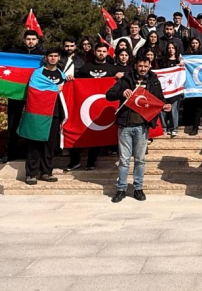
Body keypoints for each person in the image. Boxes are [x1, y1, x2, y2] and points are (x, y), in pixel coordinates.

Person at [105, 55, 168, 203]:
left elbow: (160, 99)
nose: (143, 69)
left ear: (150, 67)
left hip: (142, 126)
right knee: (124, 160)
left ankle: (138, 188)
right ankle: (121, 189)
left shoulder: (154, 80)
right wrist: (122, 93)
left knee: (140, 160)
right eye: (140, 66)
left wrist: (165, 106)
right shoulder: (126, 79)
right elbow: (109, 95)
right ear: (135, 66)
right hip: (125, 125)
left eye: (146, 66)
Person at [68, 43, 121, 172]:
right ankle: (74, 161)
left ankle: (91, 162)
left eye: (104, 51)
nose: (101, 53)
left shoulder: (113, 69)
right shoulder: (86, 68)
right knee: (77, 130)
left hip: (102, 109)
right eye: (99, 51)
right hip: (85, 108)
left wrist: (120, 77)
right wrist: (71, 80)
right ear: (95, 52)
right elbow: (77, 84)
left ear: (107, 53)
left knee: (98, 134)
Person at [19, 47, 65, 185]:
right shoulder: (37, 74)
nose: (53, 58)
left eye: (55, 55)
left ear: (59, 58)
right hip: (38, 115)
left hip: (55, 114)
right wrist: (54, 89)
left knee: (49, 145)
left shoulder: (62, 75)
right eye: (50, 55)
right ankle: (31, 174)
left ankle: (46, 172)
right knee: (34, 143)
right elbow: (34, 90)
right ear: (45, 58)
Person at [2, 29, 44, 164]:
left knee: (32, 124)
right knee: (13, 124)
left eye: (33, 39)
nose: (30, 41)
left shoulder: (43, 55)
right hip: (16, 94)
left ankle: (31, 153)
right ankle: (10, 153)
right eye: (28, 39)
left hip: (35, 95)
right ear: (24, 40)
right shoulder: (14, 53)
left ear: (37, 41)